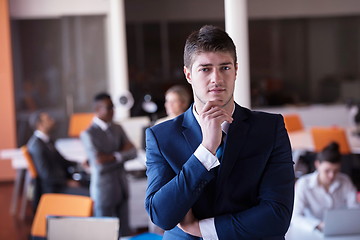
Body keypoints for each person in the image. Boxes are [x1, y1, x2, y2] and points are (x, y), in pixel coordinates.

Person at [145, 25, 295, 240]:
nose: (216, 78)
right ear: (188, 74)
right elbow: (161, 215)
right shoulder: (161, 137)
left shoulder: (270, 128)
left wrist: (203, 229)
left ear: (236, 70)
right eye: (205, 69)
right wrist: (206, 150)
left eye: (224, 67)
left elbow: (278, 216)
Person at [80, 92, 137, 236]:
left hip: (122, 186)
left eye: (113, 107)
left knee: (124, 232)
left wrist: (111, 157)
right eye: (109, 107)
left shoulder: (117, 128)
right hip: (104, 190)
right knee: (104, 234)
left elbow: (134, 151)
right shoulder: (88, 133)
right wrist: (121, 155)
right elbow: (98, 163)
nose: (113, 111)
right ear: (98, 109)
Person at [27, 111, 89, 210]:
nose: (52, 121)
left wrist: (80, 163)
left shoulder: (47, 141)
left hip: (60, 182)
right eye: (48, 119)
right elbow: (46, 175)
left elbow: (62, 161)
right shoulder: (37, 146)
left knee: (87, 183)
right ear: (40, 125)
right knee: (89, 194)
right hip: (54, 188)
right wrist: (66, 182)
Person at [292, 142, 359, 232]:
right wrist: (319, 225)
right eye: (327, 171)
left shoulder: (345, 181)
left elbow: (355, 210)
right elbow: (295, 217)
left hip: (339, 229)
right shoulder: (304, 184)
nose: (331, 175)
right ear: (317, 165)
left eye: (336, 171)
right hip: (312, 230)